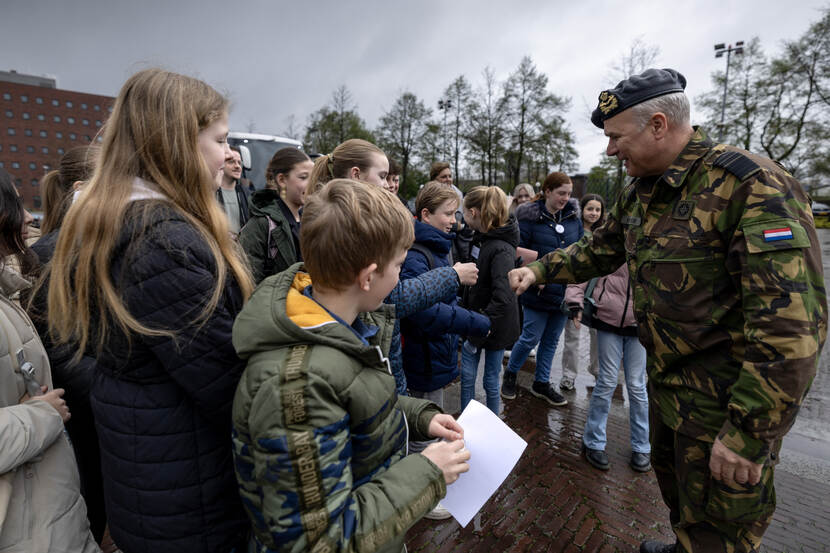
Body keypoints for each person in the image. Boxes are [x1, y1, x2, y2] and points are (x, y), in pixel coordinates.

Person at [508, 68, 827, 553]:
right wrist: (539, 271)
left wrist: (748, 434)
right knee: (682, 504)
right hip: (669, 391)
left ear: (658, 124)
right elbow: (601, 249)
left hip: (725, 408)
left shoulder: (752, 186)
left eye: (616, 138)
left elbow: (791, 330)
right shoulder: (643, 191)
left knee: (723, 533)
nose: (611, 150)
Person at [46, 68, 255, 553]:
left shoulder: (131, 224)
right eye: (220, 139)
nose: (230, 154)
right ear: (177, 143)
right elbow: (228, 383)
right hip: (189, 494)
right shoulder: (161, 244)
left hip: (158, 476)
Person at [231, 179, 471, 552]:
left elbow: (354, 398)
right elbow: (319, 541)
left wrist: (418, 415)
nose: (399, 277)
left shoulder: (344, 324)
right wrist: (428, 472)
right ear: (367, 276)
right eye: (398, 265)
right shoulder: (296, 387)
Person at [308, 139, 479, 395]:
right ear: (356, 174)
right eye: (383, 176)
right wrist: (452, 276)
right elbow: (393, 296)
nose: (389, 184)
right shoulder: (352, 228)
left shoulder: (356, 220)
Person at [0, 168, 100, 553]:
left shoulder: (8, 290)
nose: (29, 217)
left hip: (47, 513)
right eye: (14, 204)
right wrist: (42, 415)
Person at [28, 145, 108, 544]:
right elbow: (56, 348)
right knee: (88, 509)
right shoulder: (46, 255)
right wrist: (115, 388)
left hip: (109, 409)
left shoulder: (112, 240)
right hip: (83, 415)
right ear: (81, 189)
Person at [401, 181, 490, 519]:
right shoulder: (417, 253)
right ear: (425, 214)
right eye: (448, 214)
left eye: (455, 213)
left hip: (435, 350)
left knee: (432, 418)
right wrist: (471, 321)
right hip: (423, 354)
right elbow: (422, 313)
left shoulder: (438, 246)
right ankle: (423, 495)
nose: (455, 221)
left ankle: (428, 482)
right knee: (424, 424)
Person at [501, 171, 583, 407]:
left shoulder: (572, 218)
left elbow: (578, 252)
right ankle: (511, 373)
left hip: (561, 293)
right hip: (537, 290)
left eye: (568, 194)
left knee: (551, 340)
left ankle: (542, 382)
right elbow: (517, 249)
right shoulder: (529, 217)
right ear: (547, 191)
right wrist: (538, 273)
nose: (565, 198)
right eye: (560, 193)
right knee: (529, 338)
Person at [565, 263, 650, 472]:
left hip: (641, 322)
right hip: (608, 319)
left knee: (637, 386)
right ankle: (593, 441)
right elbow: (585, 263)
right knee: (607, 381)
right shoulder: (613, 233)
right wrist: (575, 301)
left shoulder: (656, 240)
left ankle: (642, 446)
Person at [459, 186, 520, 414]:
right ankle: (464, 428)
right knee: (467, 378)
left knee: (491, 381)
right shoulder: (482, 239)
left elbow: (504, 297)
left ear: (473, 212)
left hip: (493, 326)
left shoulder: (500, 248)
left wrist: (477, 331)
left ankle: (493, 425)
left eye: (463, 211)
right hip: (475, 320)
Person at [238, 147, 312, 283]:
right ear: (282, 180)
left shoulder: (311, 220)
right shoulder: (261, 225)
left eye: (312, 177)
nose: (311, 184)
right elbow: (249, 283)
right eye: (303, 177)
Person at [559, 193, 604, 391]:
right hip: (576, 291)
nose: (593, 213)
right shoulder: (574, 231)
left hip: (598, 296)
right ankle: (569, 375)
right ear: (582, 210)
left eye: (597, 209)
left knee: (598, 339)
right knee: (572, 338)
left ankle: (597, 373)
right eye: (590, 209)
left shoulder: (605, 234)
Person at [216, 145, 250, 236]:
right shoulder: (211, 193)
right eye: (231, 162)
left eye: (239, 163)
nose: (237, 166)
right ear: (221, 164)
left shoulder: (247, 195)